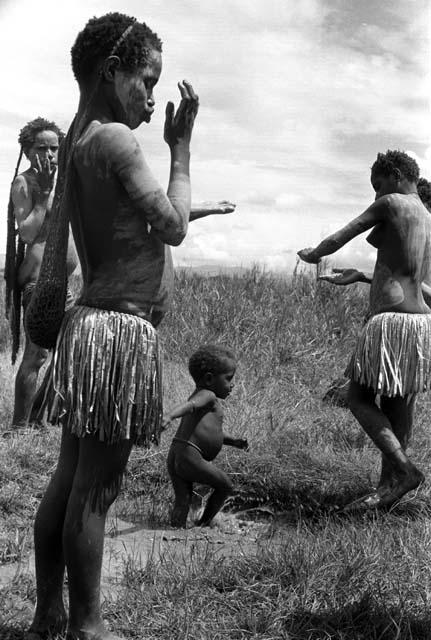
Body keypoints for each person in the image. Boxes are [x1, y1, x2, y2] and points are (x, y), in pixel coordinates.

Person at [25, 12, 202, 640]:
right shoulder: (119, 142)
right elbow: (172, 225)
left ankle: (49, 613)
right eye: (145, 81)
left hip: (91, 326)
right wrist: (180, 153)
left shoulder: (80, 139)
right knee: (95, 489)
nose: (152, 98)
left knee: (72, 477)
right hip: (118, 334)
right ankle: (88, 626)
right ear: (112, 71)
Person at [298, 150, 431, 510]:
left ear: (397, 174)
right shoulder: (427, 217)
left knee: (357, 397)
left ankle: (403, 471)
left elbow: (347, 232)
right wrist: (359, 275)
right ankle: (388, 489)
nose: (376, 195)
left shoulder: (392, 203)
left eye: (378, 185)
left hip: (390, 319)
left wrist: (314, 254)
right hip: (418, 322)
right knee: (397, 403)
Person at [4, 118, 78, 430]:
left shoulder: (66, 181)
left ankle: (44, 419)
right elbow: (28, 233)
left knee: (68, 353)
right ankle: (20, 427)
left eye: (54, 148)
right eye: (41, 148)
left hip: (64, 283)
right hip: (38, 284)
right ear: (27, 150)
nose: (48, 154)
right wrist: (45, 193)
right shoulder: (25, 183)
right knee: (35, 356)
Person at [163, 344, 248, 528]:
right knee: (225, 486)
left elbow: (211, 433)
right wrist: (169, 416)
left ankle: (176, 529)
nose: (232, 384)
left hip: (176, 454)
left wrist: (233, 441)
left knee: (183, 500)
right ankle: (204, 525)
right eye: (229, 379)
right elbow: (190, 405)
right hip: (189, 456)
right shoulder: (207, 396)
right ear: (209, 379)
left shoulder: (205, 397)